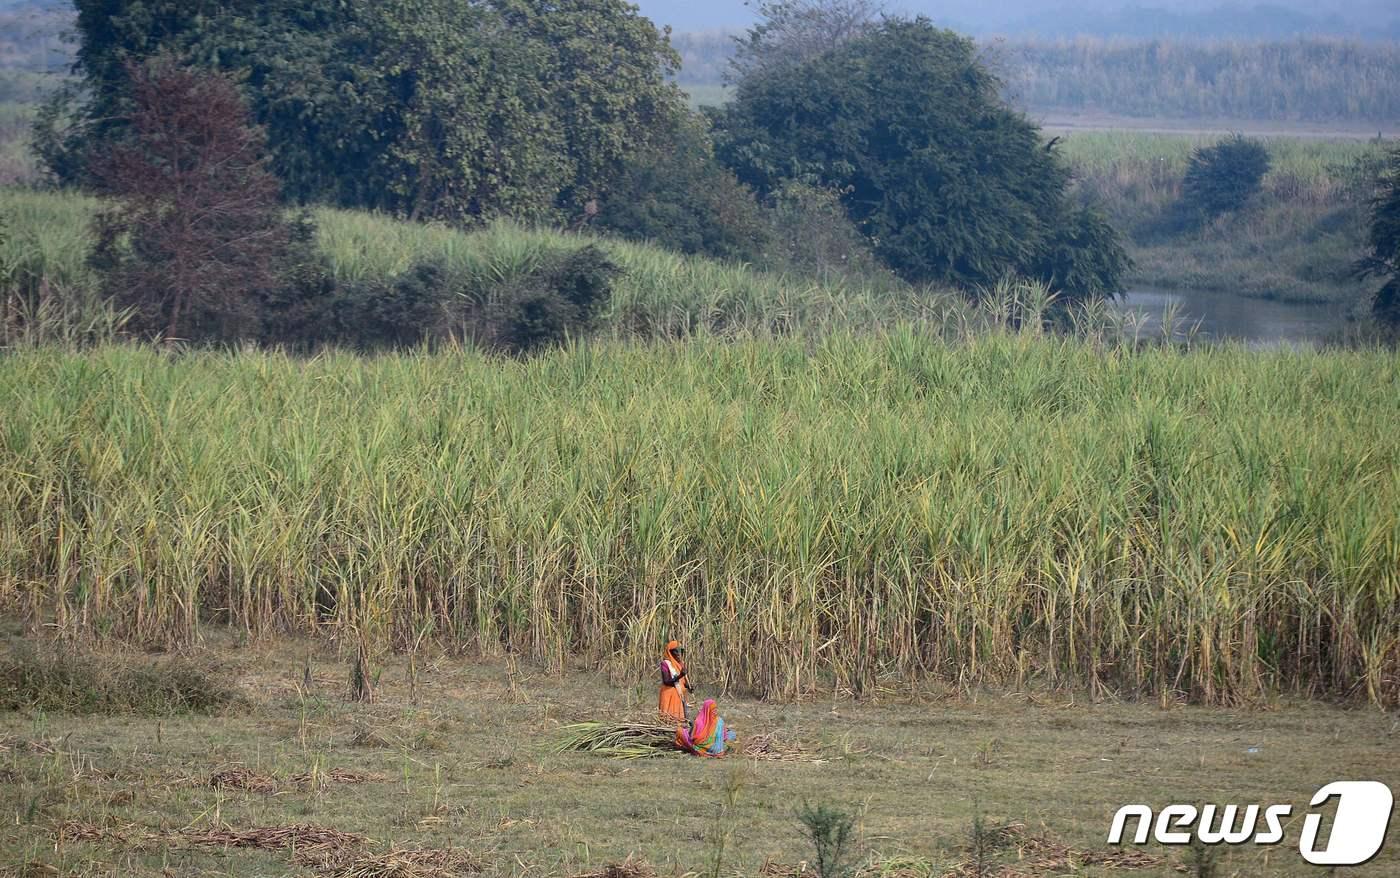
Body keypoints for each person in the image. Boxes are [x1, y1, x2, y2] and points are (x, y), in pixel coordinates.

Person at [658, 640, 689, 722]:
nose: (679, 654)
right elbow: (666, 681)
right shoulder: (665, 664)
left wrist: (688, 686)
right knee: (668, 719)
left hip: (679, 695)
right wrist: (680, 676)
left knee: (679, 720)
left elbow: (681, 682)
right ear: (670, 652)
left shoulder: (680, 664)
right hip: (669, 694)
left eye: (680, 651)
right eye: (676, 651)